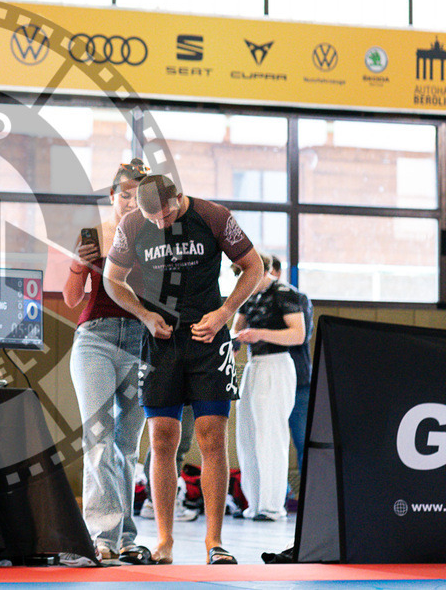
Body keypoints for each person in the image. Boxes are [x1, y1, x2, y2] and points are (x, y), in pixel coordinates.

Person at [104, 174, 263, 566]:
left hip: (209, 339)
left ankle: (215, 542)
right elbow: (113, 280)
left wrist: (226, 312)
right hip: (160, 342)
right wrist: (143, 315)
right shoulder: (133, 224)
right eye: (151, 218)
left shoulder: (213, 216)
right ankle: (164, 540)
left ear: (179, 198)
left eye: (166, 215)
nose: (160, 224)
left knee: (211, 438)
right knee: (161, 438)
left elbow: (253, 266)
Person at [61, 159, 150, 566]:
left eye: (139, 195)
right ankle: (101, 536)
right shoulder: (94, 235)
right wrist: (80, 264)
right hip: (94, 338)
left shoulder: (155, 237)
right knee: (99, 439)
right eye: (125, 194)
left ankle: (125, 535)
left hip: (141, 341)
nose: (132, 201)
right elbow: (70, 298)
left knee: (128, 446)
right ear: (113, 196)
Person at [230, 252, 304, 522]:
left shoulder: (285, 292)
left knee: (271, 436)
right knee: (247, 435)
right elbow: (236, 329)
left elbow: (298, 334)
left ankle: (272, 506)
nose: (245, 280)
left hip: (277, 364)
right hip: (254, 365)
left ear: (265, 270)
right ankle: (255, 502)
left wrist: (260, 334)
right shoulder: (247, 293)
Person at [269, 255, 314, 476]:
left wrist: (266, 331)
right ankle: (278, 497)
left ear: (276, 272)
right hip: (268, 380)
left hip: (299, 381)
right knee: (269, 443)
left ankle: (309, 497)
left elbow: (302, 336)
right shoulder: (255, 300)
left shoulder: (296, 298)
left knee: (304, 441)